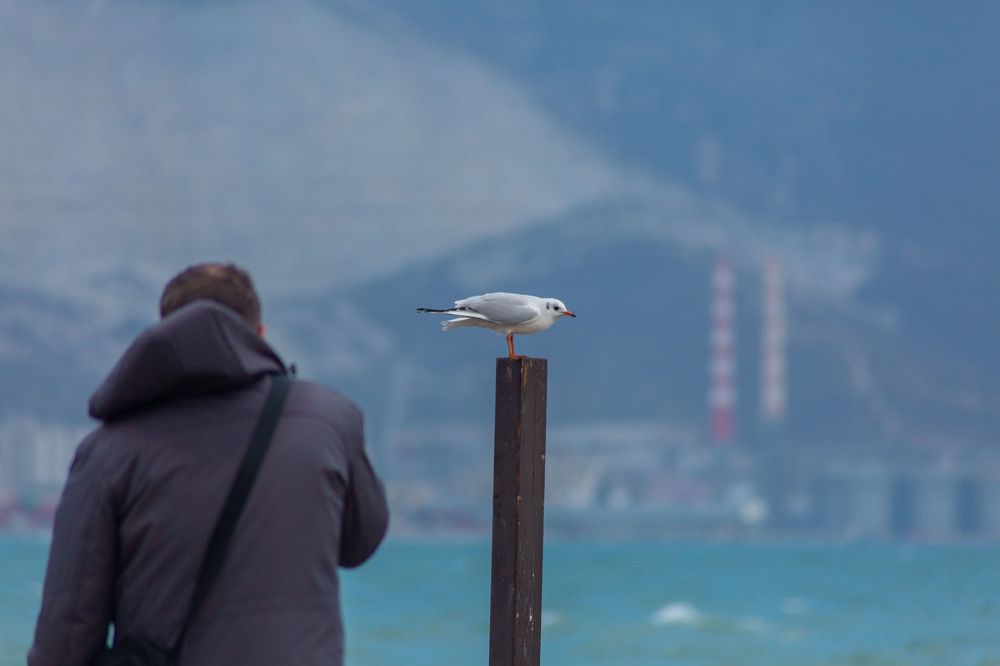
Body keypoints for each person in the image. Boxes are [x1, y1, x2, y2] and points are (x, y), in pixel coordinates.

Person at [28, 262, 389, 665]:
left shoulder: (108, 452)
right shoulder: (329, 420)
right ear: (261, 337)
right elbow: (360, 542)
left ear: (165, 338)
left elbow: (66, 637)